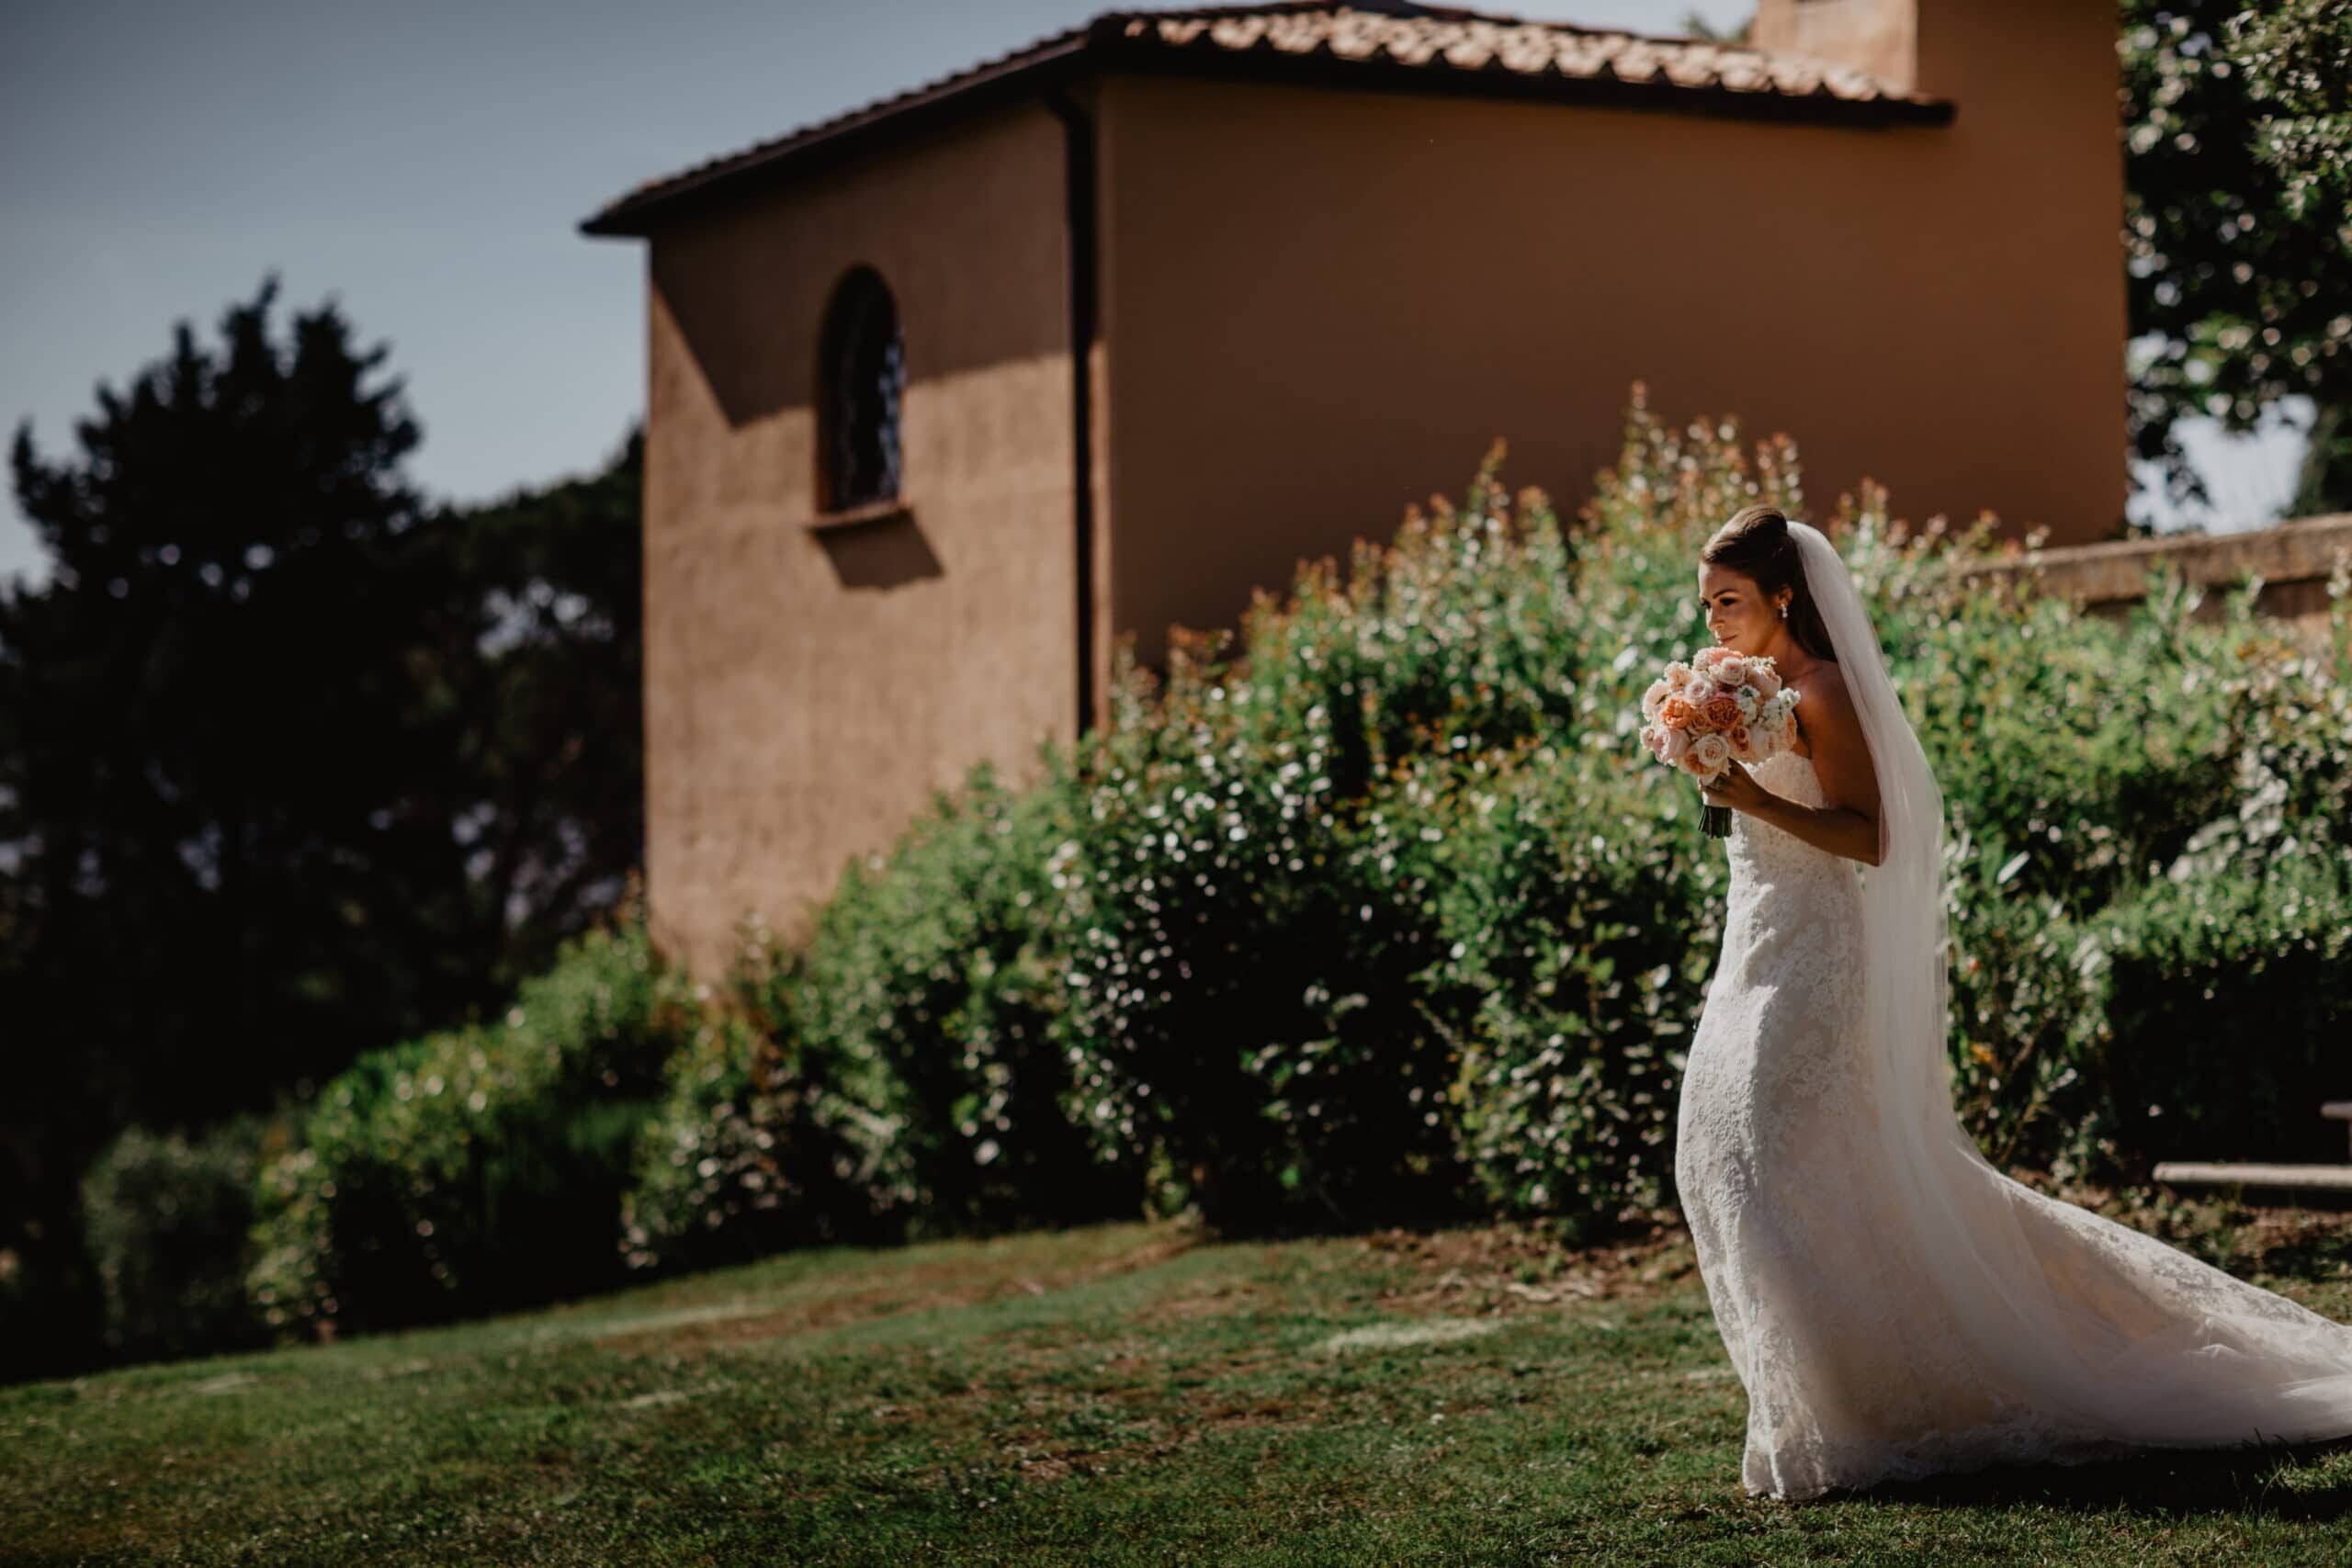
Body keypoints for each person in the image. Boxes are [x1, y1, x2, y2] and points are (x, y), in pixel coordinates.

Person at [1672, 502, 2352, 1500]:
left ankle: (1867, 1402)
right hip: (1750, 933)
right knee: (1725, 1140)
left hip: (1814, 946)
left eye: (1728, 601)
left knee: (1777, 1150)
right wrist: (1706, 755)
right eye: (1704, 603)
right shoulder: (1741, 688)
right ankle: (1827, 1396)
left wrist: (1759, 800)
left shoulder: (1819, 691)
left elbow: (1875, 839)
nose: (1714, 621)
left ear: (1782, 595)